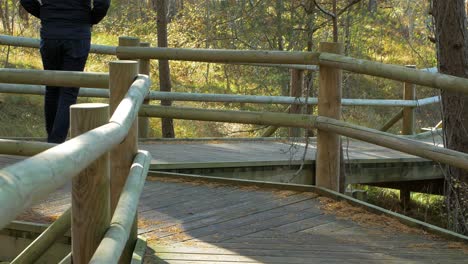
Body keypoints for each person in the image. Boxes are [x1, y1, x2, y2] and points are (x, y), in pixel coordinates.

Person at [20, 0, 110, 143]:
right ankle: (56, 143)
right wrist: (88, 19)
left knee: (52, 87)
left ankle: (52, 141)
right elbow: (102, 4)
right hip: (77, 35)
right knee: (69, 91)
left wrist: (46, 15)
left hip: (51, 34)